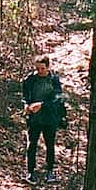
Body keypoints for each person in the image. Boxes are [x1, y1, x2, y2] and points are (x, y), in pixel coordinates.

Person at [22, 54, 64, 183]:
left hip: (50, 117)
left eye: (42, 68)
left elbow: (58, 99)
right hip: (34, 118)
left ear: (47, 67)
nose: (39, 71)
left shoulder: (54, 80)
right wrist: (26, 105)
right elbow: (25, 96)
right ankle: (30, 172)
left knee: (50, 144)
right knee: (31, 145)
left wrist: (42, 105)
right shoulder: (30, 79)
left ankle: (50, 171)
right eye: (37, 68)